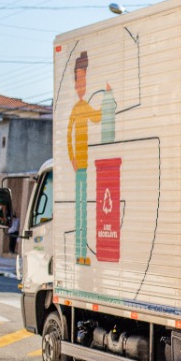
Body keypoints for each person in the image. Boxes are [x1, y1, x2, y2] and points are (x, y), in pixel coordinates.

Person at [67, 52, 100, 265]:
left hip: (85, 165)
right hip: (80, 166)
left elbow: (96, 118)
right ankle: (80, 253)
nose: (82, 84)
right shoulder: (77, 107)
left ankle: (81, 253)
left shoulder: (83, 106)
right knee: (81, 211)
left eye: (84, 79)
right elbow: (68, 134)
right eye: (79, 79)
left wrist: (109, 100)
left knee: (84, 210)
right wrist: (72, 159)